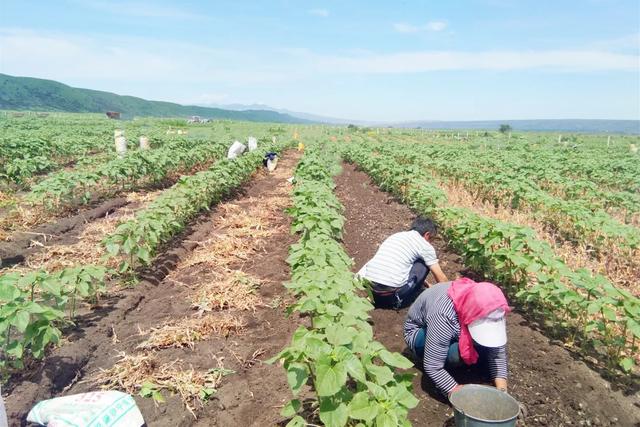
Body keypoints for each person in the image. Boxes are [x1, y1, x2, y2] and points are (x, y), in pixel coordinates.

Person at [403, 277, 510, 400]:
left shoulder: (492, 305)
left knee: (488, 346)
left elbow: (498, 352)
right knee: (455, 355)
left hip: (453, 325)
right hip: (419, 332)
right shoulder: (444, 315)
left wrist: (503, 394)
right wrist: (459, 396)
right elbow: (433, 366)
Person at [356, 217, 448, 309]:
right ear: (427, 234)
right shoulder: (425, 246)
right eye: (432, 239)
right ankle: (400, 299)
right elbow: (442, 279)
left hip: (368, 286)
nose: (431, 243)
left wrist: (425, 283)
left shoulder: (397, 236)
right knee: (423, 263)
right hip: (391, 294)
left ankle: (374, 297)